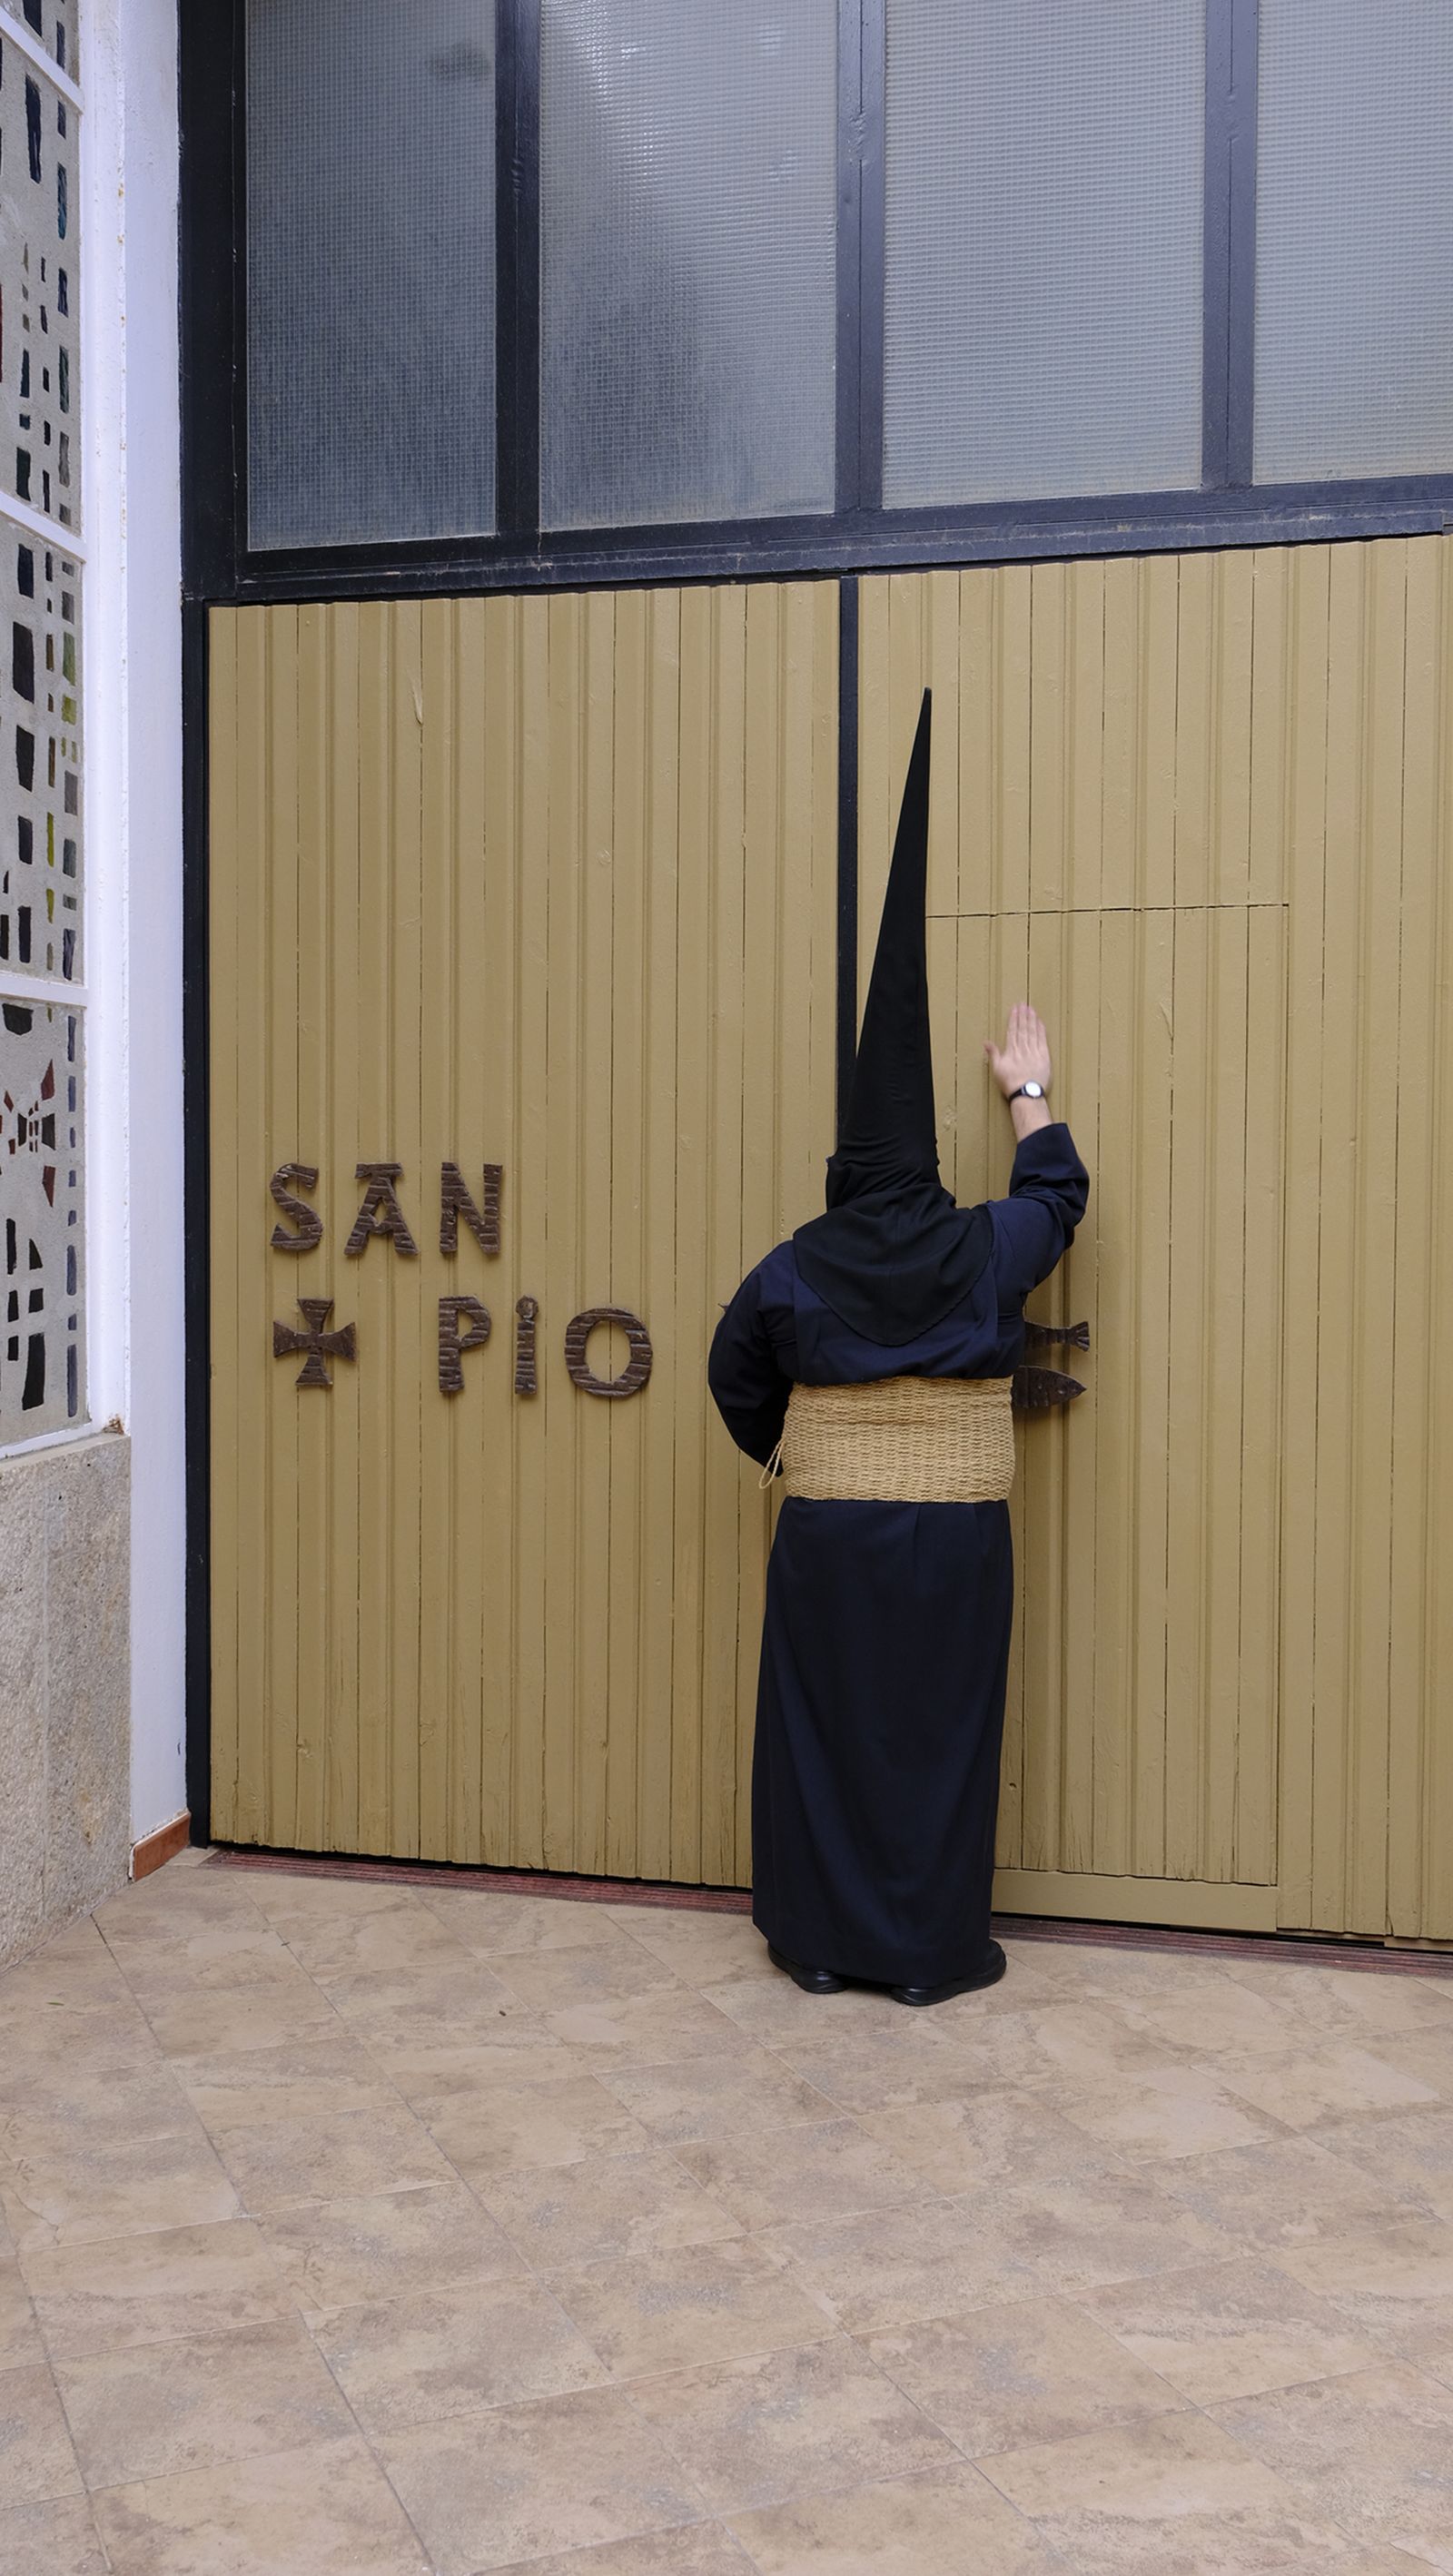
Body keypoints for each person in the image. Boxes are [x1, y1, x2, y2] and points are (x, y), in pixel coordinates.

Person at [707, 691, 1088, 2005]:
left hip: (830, 1538)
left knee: (823, 1734)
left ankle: (819, 1947)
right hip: (955, 1544)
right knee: (938, 1735)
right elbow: (1060, 1199)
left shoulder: (795, 1264)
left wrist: (804, 1448)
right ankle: (927, 1956)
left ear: (843, 1166)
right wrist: (1027, 1092)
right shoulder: (984, 1245)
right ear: (922, 1162)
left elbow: (731, 1371)